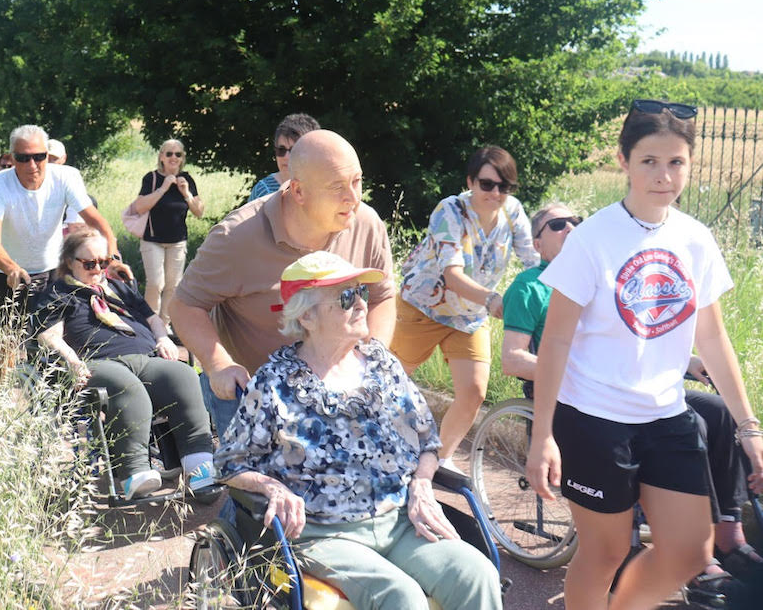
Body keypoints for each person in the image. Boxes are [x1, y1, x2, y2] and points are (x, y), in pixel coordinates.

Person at [525, 99, 763, 610]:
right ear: (623, 160)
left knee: (688, 551)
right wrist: (542, 434)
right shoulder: (591, 240)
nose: (663, 175)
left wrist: (749, 428)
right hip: (593, 418)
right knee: (605, 550)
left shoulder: (696, 240)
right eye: (649, 161)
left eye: (676, 162)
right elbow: (557, 342)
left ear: (690, 165)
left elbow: (714, 339)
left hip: (666, 415)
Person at [215, 251, 502, 610]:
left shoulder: (383, 366)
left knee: (476, 572)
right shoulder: (274, 383)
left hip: (397, 521)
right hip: (324, 533)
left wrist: (423, 483)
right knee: (402, 598)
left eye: (362, 293)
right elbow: (231, 462)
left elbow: (428, 439)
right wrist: (272, 487)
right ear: (307, 316)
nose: (362, 305)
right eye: (346, 297)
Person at [169, 129, 395, 435]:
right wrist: (218, 364)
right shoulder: (236, 238)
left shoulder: (366, 224)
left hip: (339, 389)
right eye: (337, 187)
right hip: (254, 394)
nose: (354, 198)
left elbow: (382, 297)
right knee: (258, 483)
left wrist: (372, 357)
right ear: (298, 192)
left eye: (357, 181)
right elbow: (184, 305)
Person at [32, 229, 215, 499]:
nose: (98, 270)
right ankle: (134, 472)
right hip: (97, 361)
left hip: (145, 356)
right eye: (90, 264)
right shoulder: (59, 293)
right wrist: (72, 361)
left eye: (103, 263)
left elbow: (152, 318)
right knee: (128, 388)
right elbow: (48, 336)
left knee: (183, 376)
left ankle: (199, 466)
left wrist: (163, 337)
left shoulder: (118, 287)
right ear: (70, 261)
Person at [390, 145, 538, 470]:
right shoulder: (450, 211)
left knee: (473, 392)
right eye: (487, 184)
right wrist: (491, 299)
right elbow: (452, 275)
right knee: (389, 381)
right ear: (470, 182)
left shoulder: (513, 212)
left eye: (504, 186)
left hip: (469, 317)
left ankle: (440, 460)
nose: (495, 193)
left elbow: (533, 261)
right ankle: (376, 449)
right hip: (423, 308)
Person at [0, 125, 133, 361]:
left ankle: (52, 396)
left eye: (39, 157)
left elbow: (100, 224)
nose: (32, 165)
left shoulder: (64, 177)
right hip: (7, 274)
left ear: (47, 155)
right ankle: (2, 395)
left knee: (53, 346)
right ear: (12, 158)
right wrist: (10, 267)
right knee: (5, 349)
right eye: (23, 158)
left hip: (51, 272)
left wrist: (111, 260)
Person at [131, 138, 204, 322]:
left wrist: (186, 193)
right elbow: (139, 207)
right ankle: (150, 321)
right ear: (161, 156)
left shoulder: (187, 179)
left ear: (182, 158)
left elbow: (199, 212)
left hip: (177, 241)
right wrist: (163, 188)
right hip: (152, 240)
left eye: (177, 154)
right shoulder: (151, 178)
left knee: (173, 285)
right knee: (156, 283)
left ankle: (165, 323)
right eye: (169, 153)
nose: (173, 157)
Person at [247, 113, 320, 202]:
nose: (286, 157)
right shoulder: (263, 191)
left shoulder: (326, 189)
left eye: (294, 150)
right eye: (281, 150)